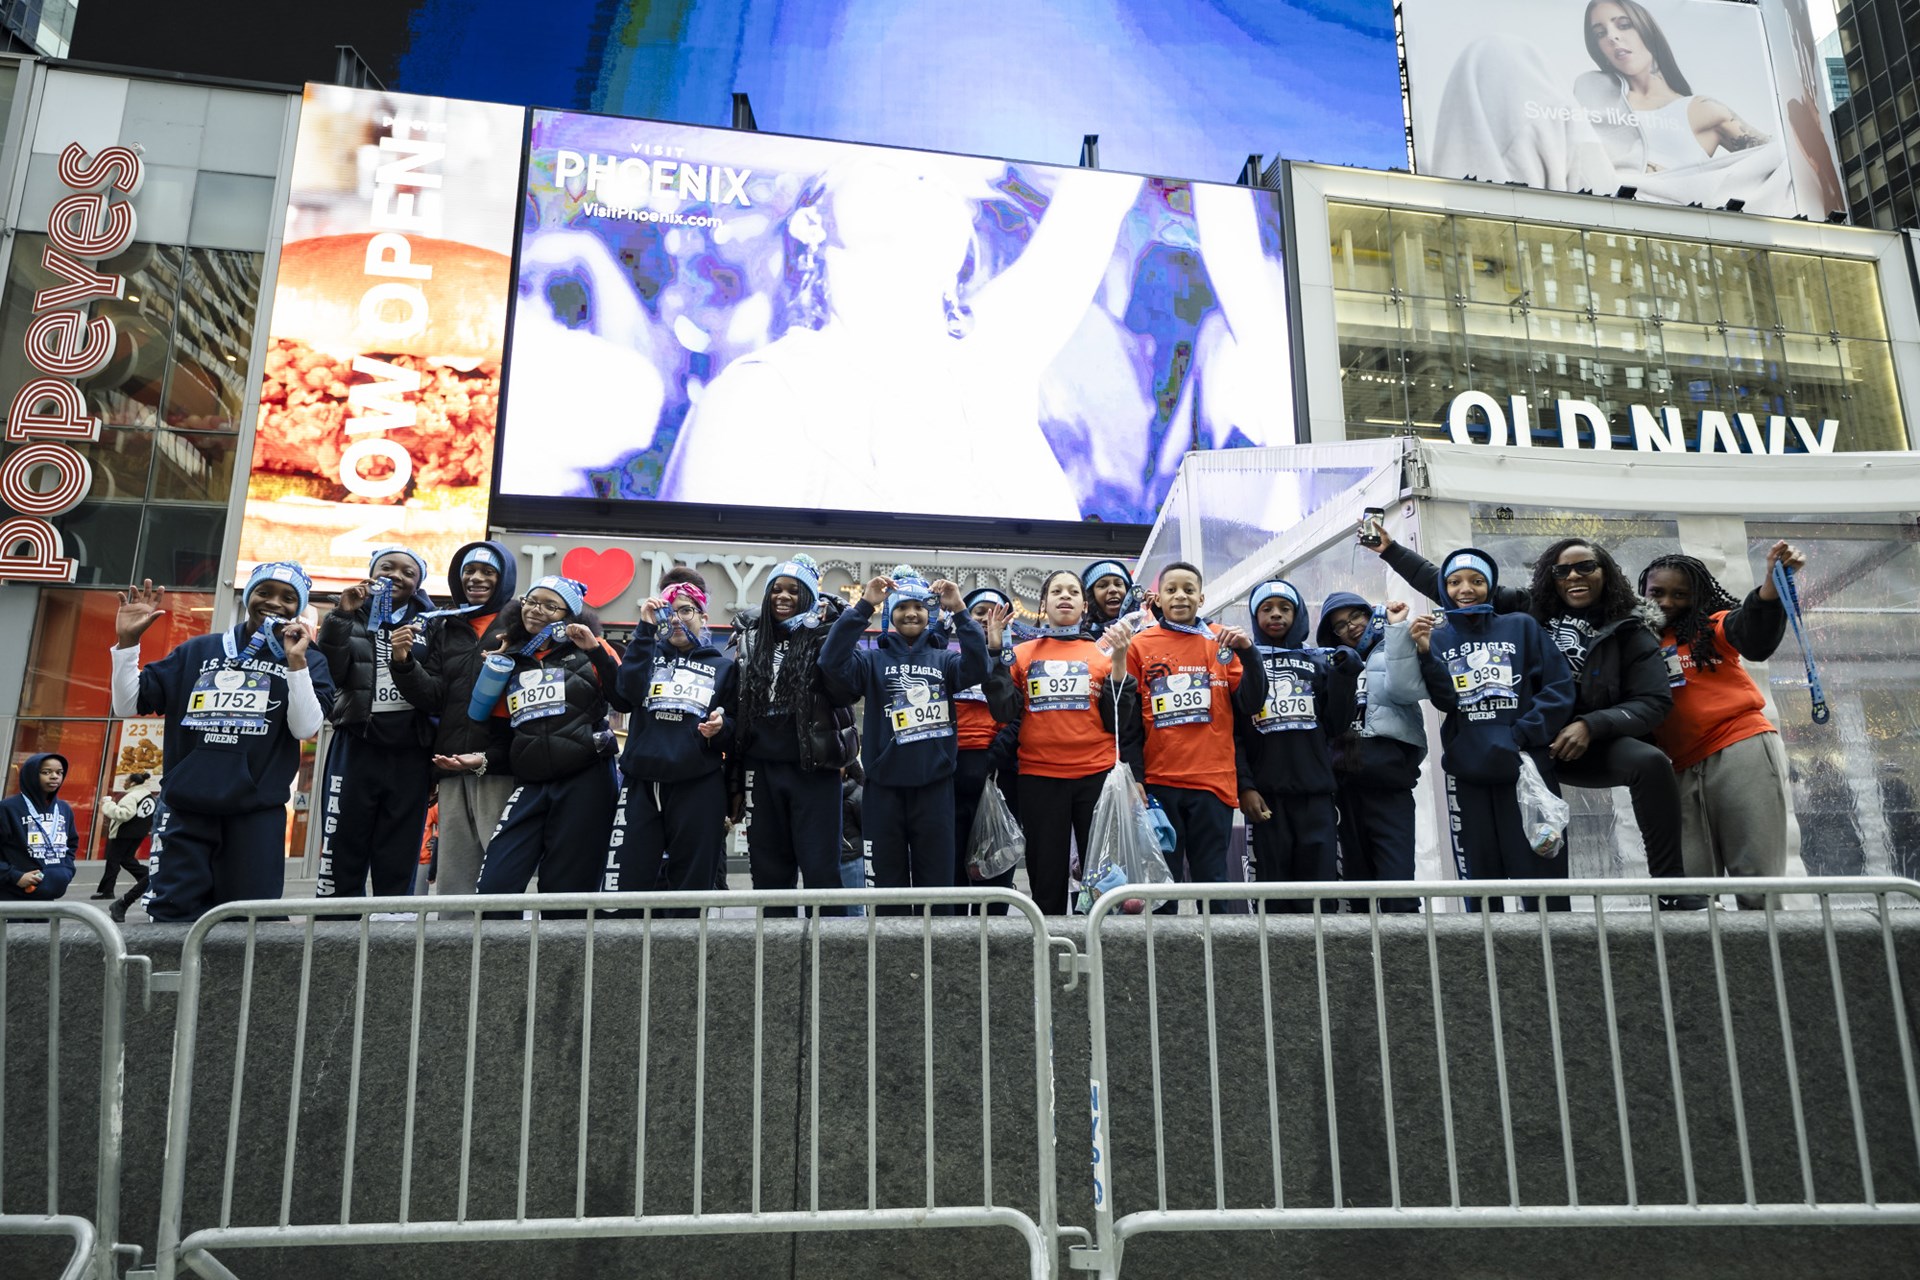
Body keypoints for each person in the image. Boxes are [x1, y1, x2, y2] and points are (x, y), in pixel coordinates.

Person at [658, 160, 1143, 520]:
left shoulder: (994, 365)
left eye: (942, 181)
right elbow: (699, 611)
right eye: (880, 160)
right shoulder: (761, 398)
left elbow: (1101, 189)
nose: (924, 174)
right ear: (811, 220)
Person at [1370, 528, 1701, 909]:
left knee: (1650, 763)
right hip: (1520, 745)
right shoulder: (1531, 610)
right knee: (1498, 854)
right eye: (1563, 571)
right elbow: (1455, 583)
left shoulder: (1630, 629)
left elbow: (1653, 703)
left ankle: (1670, 887)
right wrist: (1391, 550)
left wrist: (1591, 725)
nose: (1574, 577)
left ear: (1605, 572)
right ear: (1550, 578)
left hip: (1582, 741)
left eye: (1586, 568)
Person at [110, 565, 334, 921]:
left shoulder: (308, 660)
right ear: (248, 597)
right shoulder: (197, 650)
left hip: (256, 815)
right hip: (185, 810)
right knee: (172, 916)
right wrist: (127, 644)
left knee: (250, 923)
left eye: (288, 598)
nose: (274, 602)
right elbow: (127, 705)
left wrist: (296, 663)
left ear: (299, 608)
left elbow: (304, 728)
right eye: (265, 592)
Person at [1638, 541, 1806, 907]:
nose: (1666, 602)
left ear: (1697, 596)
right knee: (1690, 890)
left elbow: (1748, 630)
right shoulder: (1639, 645)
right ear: (1642, 593)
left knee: (1755, 880)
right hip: (1681, 769)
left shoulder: (1708, 627)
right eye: (1657, 592)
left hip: (1738, 749)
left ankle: (1769, 958)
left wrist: (1771, 586)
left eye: (1680, 594)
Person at [1413, 549, 1574, 912]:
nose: (1465, 589)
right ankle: (1487, 963)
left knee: (1541, 868)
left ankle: (1554, 956)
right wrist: (1424, 653)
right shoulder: (1437, 638)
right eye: (1454, 582)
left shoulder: (1521, 626)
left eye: (1476, 580)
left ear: (1491, 585)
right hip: (1469, 774)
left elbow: (1558, 688)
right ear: (1443, 587)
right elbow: (1446, 701)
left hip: (1525, 768)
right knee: (1482, 883)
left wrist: (1521, 734)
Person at [821, 569, 988, 909]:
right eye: (901, 607)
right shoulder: (870, 660)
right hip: (883, 792)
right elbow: (830, 661)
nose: (911, 613)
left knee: (938, 893)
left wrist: (959, 610)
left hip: (936, 790)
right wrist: (865, 605)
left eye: (918, 607)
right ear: (890, 615)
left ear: (930, 614)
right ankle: (891, 961)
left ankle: (937, 959)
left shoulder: (946, 660)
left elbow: (980, 667)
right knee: (888, 893)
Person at [987, 570, 1141, 915]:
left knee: (1103, 879)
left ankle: (1101, 954)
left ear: (1085, 605)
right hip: (1039, 779)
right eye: (1056, 591)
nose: (1065, 596)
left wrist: (1119, 661)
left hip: (1096, 777)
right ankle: (1051, 954)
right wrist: (996, 651)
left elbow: (1118, 722)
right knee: (1047, 878)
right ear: (1044, 604)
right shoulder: (1024, 654)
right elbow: (1002, 711)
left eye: (1073, 591)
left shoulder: (1104, 651)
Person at [473, 576, 627, 902]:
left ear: (568, 615)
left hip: (586, 779)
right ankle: (505, 953)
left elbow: (625, 699)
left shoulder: (594, 647)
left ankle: (562, 954)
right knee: (493, 889)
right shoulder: (511, 657)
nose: (536, 610)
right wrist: (484, 759)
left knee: (566, 893)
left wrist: (596, 650)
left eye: (549, 605)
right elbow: (497, 729)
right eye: (531, 601)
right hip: (530, 783)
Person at [387, 540, 521, 897]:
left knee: (500, 870)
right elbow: (432, 697)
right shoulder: (445, 625)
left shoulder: (522, 621)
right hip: (451, 765)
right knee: (454, 876)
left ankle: (501, 947)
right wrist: (402, 662)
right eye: (469, 572)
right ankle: (454, 947)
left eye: (488, 572)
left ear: (504, 578)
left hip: (500, 766)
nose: (476, 579)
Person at [1127, 562, 1265, 906]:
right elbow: (1127, 723)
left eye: (1188, 590)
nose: (1180, 596)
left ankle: (1217, 958)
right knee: (1162, 885)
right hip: (1159, 783)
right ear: (1157, 598)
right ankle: (1161, 958)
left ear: (1201, 598)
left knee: (1213, 881)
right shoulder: (1138, 646)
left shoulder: (1222, 641)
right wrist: (1136, 777)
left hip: (1213, 783)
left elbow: (1250, 703)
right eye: (1171, 589)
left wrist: (1249, 653)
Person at [730, 554, 859, 897]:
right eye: (776, 589)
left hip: (814, 770)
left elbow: (846, 691)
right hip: (761, 768)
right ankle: (775, 949)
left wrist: (839, 633)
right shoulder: (749, 638)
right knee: (769, 873)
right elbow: (739, 711)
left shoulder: (827, 634)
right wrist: (735, 779)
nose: (783, 596)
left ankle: (823, 948)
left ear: (809, 598)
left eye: (794, 590)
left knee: (821, 873)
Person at [606, 581, 737, 913]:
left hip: (699, 785)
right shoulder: (647, 655)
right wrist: (645, 630)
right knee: (628, 886)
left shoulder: (724, 667)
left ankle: (687, 960)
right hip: (641, 785)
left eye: (686, 610)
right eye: (669, 611)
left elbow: (738, 726)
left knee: (691, 891)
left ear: (703, 617)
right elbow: (626, 695)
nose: (676, 619)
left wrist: (721, 729)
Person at [316, 546, 438, 900]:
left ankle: (392, 925)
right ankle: (334, 927)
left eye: (408, 572)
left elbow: (437, 690)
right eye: (387, 567)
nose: (396, 575)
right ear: (371, 572)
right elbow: (332, 674)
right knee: (342, 843)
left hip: (410, 752)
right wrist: (341, 615)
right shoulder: (348, 614)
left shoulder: (433, 623)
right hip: (356, 743)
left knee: (399, 848)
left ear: (418, 584)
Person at [1234, 580, 1360, 912]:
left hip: (1316, 795)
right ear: (1254, 615)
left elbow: (1337, 725)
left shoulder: (1319, 661)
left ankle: (1320, 960)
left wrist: (1344, 677)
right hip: (1265, 800)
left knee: (1318, 893)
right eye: (1266, 609)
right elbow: (1233, 732)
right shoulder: (1240, 661)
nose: (1276, 615)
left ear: (1298, 613)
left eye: (1285, 608)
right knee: (1272, 895)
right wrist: (1244, 785)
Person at [1315, 593, 1427, 912]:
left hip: (1391, 783)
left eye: (1355, 617)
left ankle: (1404, 958)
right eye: (1339, 626)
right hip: (1345, 788)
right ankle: (1365, 961)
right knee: (1357, 887)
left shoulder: (1393, 644)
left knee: (1398, 885)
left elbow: (1408, 689)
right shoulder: (1330, 662)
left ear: (1370, 614)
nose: (1350, 627)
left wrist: (1396, 630)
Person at [954, 586, 1020, 911]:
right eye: (979, 612)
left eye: (995, 612)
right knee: (952, 877)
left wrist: (994, 755)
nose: (987, 619)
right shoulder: (948, 659)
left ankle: (993, 951)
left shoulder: (1011, 662)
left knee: (995, 876)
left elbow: (1018, 716)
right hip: (949, 776)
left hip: (996, 777)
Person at [1, 754, 77, 904]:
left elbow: (71, 845)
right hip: (12, 896)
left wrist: (65, 871)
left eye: (59, 772)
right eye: (46, 772)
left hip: (47, 895)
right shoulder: (8, 808)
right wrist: (15, 876)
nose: (54, 777)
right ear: (31, 775)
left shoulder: (63, 809)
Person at [92, 770, 160, 903]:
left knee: (113, 861)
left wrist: (108, 804)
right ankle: (147, 878)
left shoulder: (131, 796)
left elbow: (124, 814)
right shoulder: (147, 795)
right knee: (126, 859)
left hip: (124, 833)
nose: (124, 783)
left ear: (133, 782)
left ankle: (107, 891)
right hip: (139, 833)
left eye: (126, 781)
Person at [1081, 560, 1137, 638]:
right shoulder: (1080, 635)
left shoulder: (1142, 630)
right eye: (1103, 585)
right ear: (1090, 596)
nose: (1113, 589)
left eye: (1118, 584)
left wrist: (1160, 617)